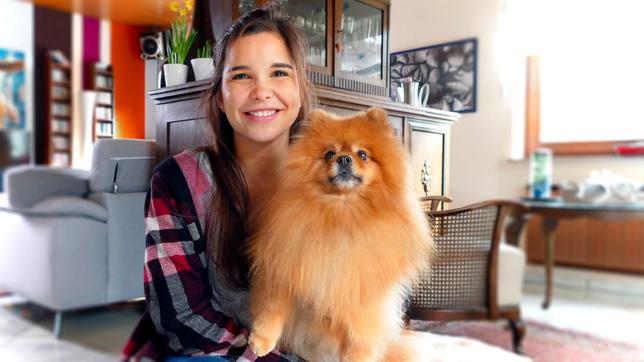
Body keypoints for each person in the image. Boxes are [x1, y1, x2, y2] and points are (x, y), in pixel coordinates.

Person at [121, 4, 313, 361]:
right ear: (220, 97)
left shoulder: (331, 181)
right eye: (241, 76)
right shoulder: (177, 181)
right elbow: (181, 318)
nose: (261, 91)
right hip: (210, 353)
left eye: (279, 73)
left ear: (301, 90)